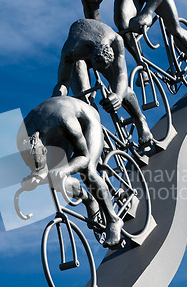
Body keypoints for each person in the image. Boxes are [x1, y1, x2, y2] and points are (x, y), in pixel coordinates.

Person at [17, 96, 124, 248]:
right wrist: (34, 177)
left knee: (88, 172)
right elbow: (38, 168)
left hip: (84, 120)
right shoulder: (22, 139)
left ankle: (113, 220)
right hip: (53, 133)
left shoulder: (63, 120)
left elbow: (84, 157)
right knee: (52, 178)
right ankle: (89, 200)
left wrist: (64, 170)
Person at [53, 18, 153, 145]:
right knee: (84, 100)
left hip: (99, 46)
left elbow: (121, 75)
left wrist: (117, 96)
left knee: (117, 85)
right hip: (79, 58)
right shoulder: (71, 50)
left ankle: (140, 120)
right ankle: (98, 135)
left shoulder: (116, 40)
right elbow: (63, 81)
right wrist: (57, 98)